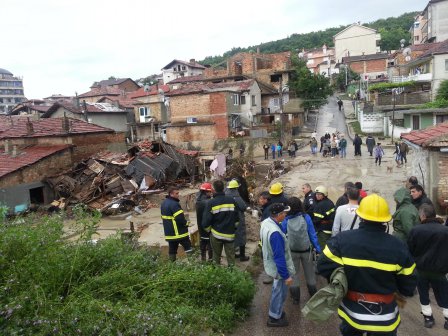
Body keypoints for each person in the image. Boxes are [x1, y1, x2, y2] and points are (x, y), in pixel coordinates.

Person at [318, 194, 417, 336]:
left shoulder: (342, 240)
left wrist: (343, 277)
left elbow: (322, 266)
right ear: (386, 220)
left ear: (360, 217)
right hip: (385, 317)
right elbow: (409, 284)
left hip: (352, 313)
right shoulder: (398, 246)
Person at [408, 204, 448, 329]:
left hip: (421, 270)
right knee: (444, 295)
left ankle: (428, 318)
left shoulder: (415, 230)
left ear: (423, 215)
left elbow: (410, 250)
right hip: (440, 271)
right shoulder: (445, 230)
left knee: (423, 294)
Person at [260, 203, 295, 327]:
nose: (285, 215)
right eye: (284, 213)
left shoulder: (266, 223)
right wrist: (286, 276)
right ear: (279, 215)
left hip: (271, 264)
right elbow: (279, 257)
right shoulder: (275, 233)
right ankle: (274, 317)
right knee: (279, 292)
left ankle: (276, 312)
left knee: (277, 290)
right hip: (278, 268)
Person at [283, 197, 321, 304]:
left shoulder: (286, 219)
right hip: (306, 251)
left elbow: (282, 233)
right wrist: (318, 249)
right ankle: (313, 296)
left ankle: (296, 299)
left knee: (294, 275)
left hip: (292, 251)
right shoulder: (306, 217)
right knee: (310, 274)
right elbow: (312, 235)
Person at [202, 180, 238, 266]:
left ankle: (217, 276)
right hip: (230, 234)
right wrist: (234, 228)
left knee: (216, 257)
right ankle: (232, 276)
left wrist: (209, 230)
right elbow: (237, 218)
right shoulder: (231, 200)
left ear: (213, 189)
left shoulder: (211, 202)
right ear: (223, 188)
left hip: (216, 234)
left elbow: (205, 222)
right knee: (231, 258)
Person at [161, 187, 193, 261]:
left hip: (170, 233)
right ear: (171, 194)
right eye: (176, 193)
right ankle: (193, 264)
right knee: (188, 248)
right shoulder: (174, 204)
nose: (178, 195)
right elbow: (179, 218)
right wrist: (187, 223)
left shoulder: (164, 203)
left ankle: (172, 267)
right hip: (179, 233)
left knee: (172, 250)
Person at [226, 179, 250, 262]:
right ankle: (242, 256)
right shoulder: (236, 197)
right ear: (236, 188)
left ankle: (233, 254)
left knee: (232, 236)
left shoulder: (226, 196)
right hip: (238, 218)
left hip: (229, 219)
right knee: (241, 235)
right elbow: (243, 207)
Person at [195, 183, 213, 261]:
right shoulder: (208, 202)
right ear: (206, 192)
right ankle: (211, 259)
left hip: (200, 226)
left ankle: (203, 259)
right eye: (210, 192)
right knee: (210, 244)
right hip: (208, 227)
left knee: (202, 242)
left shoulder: (198, 201)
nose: (211, 193)